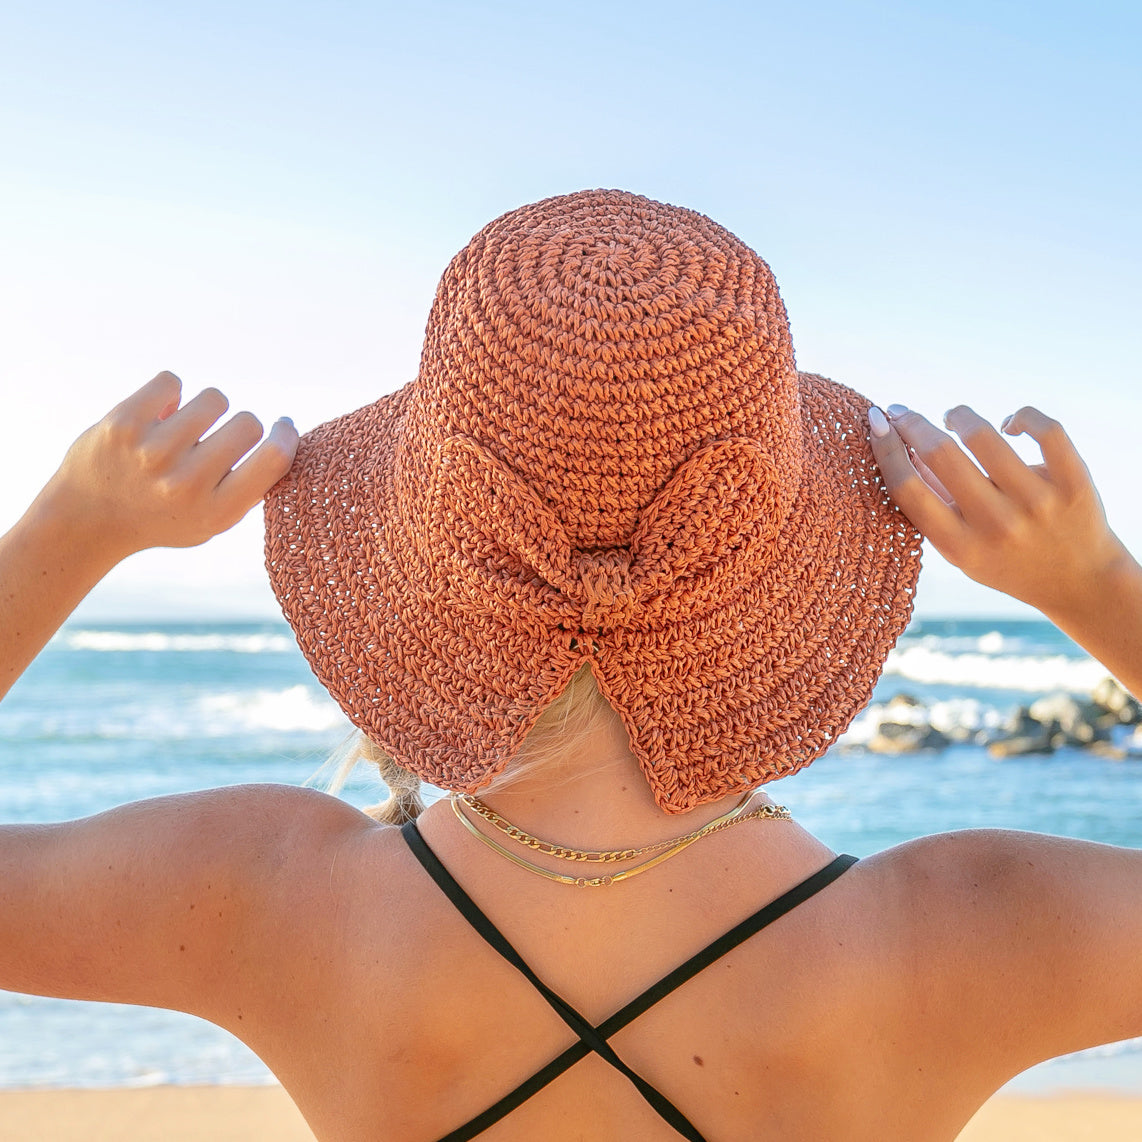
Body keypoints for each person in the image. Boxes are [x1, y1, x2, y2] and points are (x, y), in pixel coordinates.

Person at [1, 189, 1141, 1142]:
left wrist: (69, 528)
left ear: (422, 547)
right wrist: (1089, 585)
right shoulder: (960, 934)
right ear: (781, 561)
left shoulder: (266, 896)